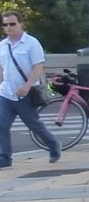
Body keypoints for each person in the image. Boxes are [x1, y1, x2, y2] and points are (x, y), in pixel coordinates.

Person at [0, 9, 61, 168]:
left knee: (34, 125)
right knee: (1, 125)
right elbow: (1, 68)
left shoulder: (31, 43)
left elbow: (38, 67)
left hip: (25, 93)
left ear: (21, 24)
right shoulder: (3, 45)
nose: (9, 27)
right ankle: (5, 158)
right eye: (5, 25)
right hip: (6, 92)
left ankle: (53, 145)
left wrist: (27, 86)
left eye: (12, 24)